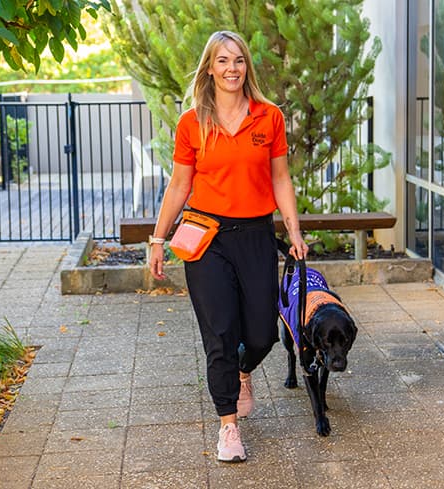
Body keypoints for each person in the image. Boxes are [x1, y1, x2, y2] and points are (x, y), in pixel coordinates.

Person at [147, 30, 307, 463]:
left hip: (256, 234)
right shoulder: (192, 121)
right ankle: (228, 427)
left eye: (238, 60)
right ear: (210, 68)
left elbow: (280, 178)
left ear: (246, 67)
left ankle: (243, 371)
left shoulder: (268, 117)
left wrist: (293, 231)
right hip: (206, 235)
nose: (231, 68)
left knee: (261, 334)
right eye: (222, 61)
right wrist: (158, 238)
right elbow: (179, 184)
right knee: (219, 334)